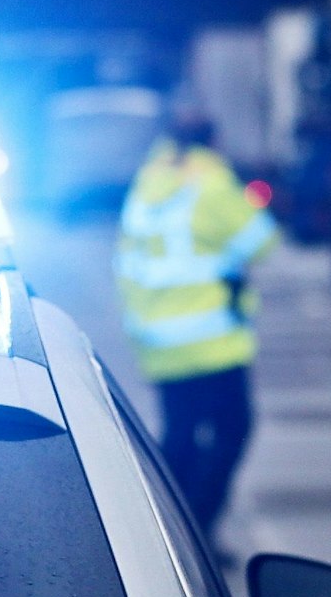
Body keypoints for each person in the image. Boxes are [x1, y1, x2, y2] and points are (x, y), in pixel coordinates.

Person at [115, 102, 279, 547]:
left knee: (181, 438)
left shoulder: (150, 180)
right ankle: (197, 533)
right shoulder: (210, 182)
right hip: (211, 339)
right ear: (213, 139)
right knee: (233, 430)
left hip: (157, 336)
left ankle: (165, 531)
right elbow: (262, 241)